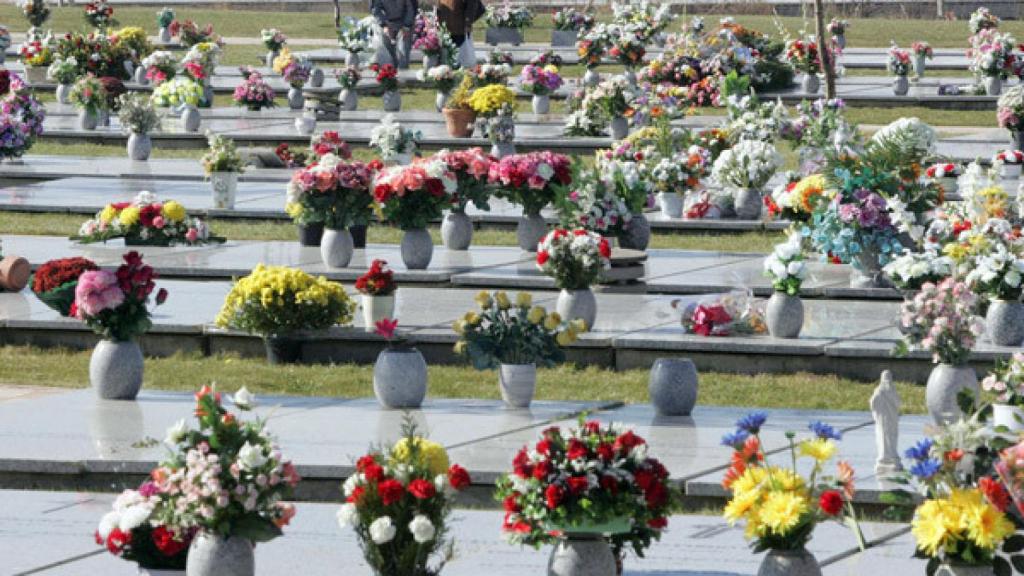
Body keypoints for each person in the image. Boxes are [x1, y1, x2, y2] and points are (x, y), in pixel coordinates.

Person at [370, 0, 416, 67]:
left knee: (403, 53)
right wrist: (384, 25)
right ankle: (390, 73)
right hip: (387, 23)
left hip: (404, 23)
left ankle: (404, 74)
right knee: (388, 54)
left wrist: (406, 26)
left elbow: (411, 9)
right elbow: (376, 10)